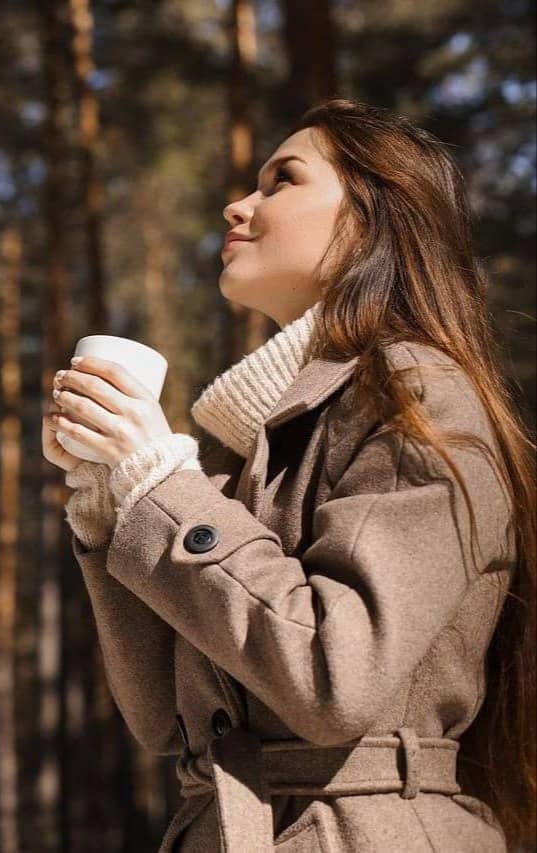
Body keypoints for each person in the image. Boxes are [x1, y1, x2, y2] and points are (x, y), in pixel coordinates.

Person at [41, 98, 536, 852]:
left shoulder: (416, 394)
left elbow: (333, 676)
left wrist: (163, 485)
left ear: (371, 221)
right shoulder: (265, 450)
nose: (236, 205)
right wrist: (116, 501)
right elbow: (161, 720)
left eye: (281, 181)